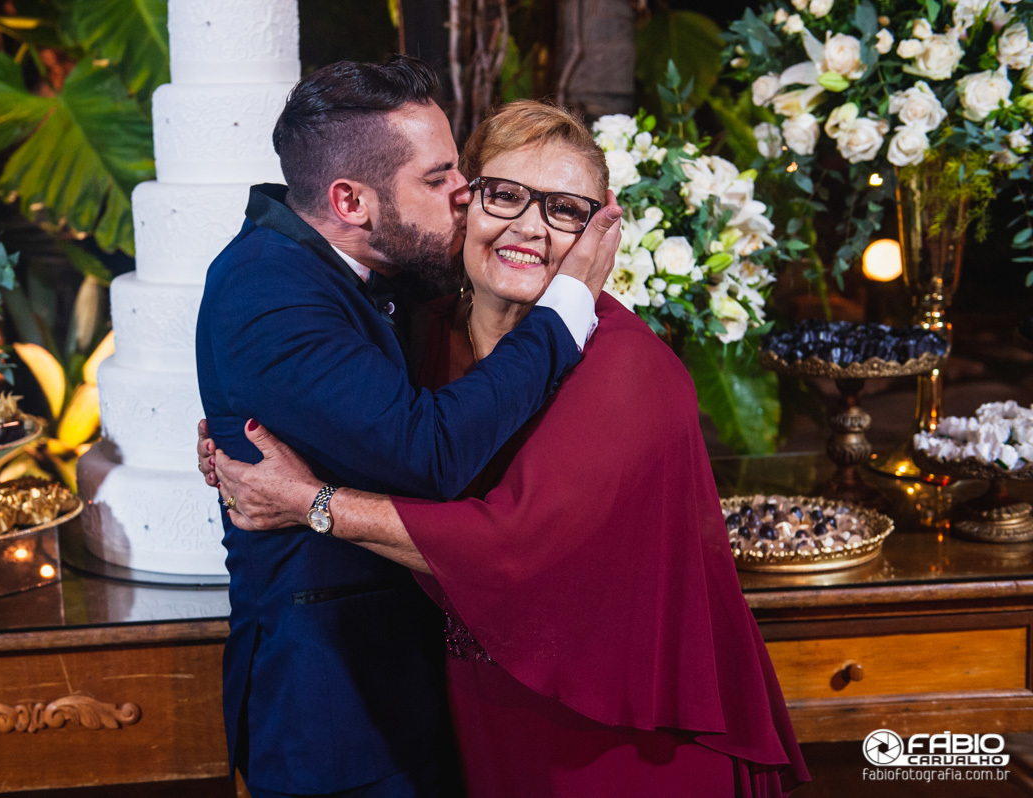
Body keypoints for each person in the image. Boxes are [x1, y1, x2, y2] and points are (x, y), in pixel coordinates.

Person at [204, 101, 810, 796]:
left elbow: (512, 548)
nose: (529, 226)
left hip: (614, 739)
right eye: (506, 195)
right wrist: (237, 450)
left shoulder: (628, 371)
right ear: (464, 204)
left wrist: (309, 502)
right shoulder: (425, 336)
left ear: (598, 231)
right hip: (480, 722)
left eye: (564, 210)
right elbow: (363, 425)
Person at [194, 59, 622, 798]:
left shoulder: (350, 259)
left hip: (410, 682)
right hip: (336, 716)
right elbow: (430, 455)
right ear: (349, 200)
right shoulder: (270, 298)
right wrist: (570, 304)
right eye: (437, 177)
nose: (464, 191)